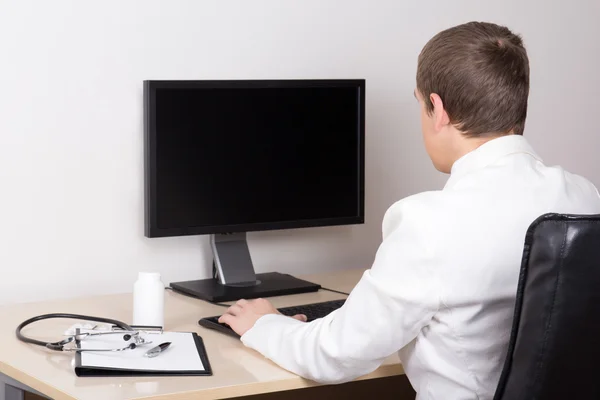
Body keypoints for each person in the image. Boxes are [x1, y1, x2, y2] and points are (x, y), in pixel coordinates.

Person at [218, 21, 600, 399]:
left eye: (420, 103)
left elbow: (335, 355)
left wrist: (263, 324)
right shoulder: (584, 196)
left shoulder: (429, 224)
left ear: (438, 109)